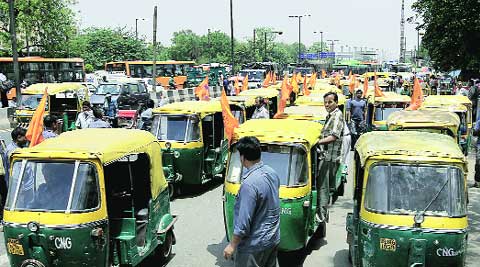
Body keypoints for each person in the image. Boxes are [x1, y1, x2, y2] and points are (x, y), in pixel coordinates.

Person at [223, 136, 280, 267]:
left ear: (242, 157)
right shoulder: (272, 173)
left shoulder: (249, 185)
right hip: (272, 239)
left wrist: (232, 245)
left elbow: (243, 223)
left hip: (254, 246)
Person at [317, 92, 344, 222]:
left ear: (336, 103)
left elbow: (334, 136)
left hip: (329, 157)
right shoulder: (330, 115)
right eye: (325, 102)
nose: (327, 105)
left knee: (323, 187)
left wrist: (318, 142)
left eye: (330, 102)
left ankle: (321, 217)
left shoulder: (338, 115)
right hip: (325, 155)